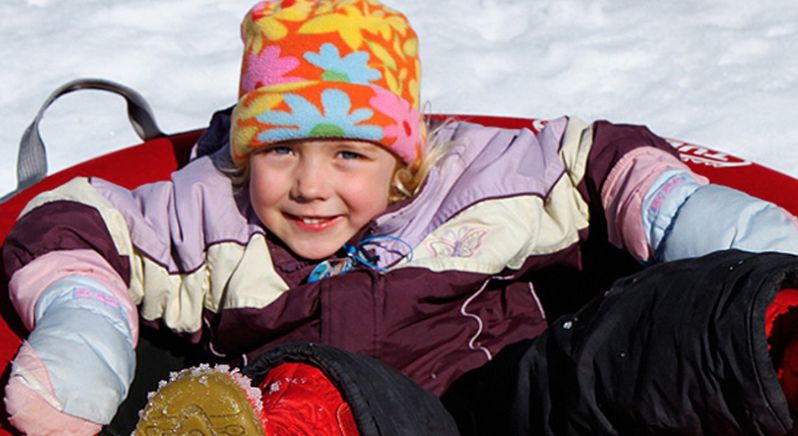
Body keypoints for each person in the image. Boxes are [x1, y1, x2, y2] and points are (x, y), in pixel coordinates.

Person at [4, 0, 798, 434]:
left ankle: (785, 342)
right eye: (282, 153)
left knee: (640, 336)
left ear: (404, 157)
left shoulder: (477, 184)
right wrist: (80, 336)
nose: (311, 186)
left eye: (350, 156)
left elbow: (604, 164)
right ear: (246, 153)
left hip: (513, 400)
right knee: (324, 388)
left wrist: (696, 220)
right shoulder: (210, 211)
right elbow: (76, 226)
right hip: (360, 419)